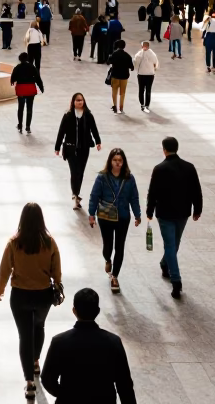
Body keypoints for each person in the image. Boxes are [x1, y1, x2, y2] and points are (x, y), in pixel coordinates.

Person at [0, 203, 62, 398]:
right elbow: (56, 269)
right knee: (39, 327)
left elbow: (5, 269)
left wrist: (0, 289)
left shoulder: (14, 243)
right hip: (43, 295)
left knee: (25, 336)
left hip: (20, 295)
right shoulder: (50, 243)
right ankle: (35, 361)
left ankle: (29, 382)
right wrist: (57, 284)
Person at [146, 137, 203, 299]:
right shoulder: (189, 167)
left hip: (165, 214)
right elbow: (196, 190)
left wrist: (150, 210)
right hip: (183, 213)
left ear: (164, 149)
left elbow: (153, 192)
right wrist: (197, 209)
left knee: (171, 245)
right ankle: (175, 278)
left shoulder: (159, 169)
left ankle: (168, 268)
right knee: (173, 244)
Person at [87, 148, 141, 294]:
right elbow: (94, 196)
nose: (118, 163)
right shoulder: (102, 177)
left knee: (120, 246)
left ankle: (115, 276)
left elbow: (134, 197)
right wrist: (91, 214)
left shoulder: (129, 178)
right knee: (108, 245)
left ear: (124, 162)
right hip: (105, 217)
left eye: (120, 161)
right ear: (110, 161)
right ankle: (107, 259)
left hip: (123, 216)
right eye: (115, 160)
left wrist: (137, 214)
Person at [54, 93, 102, 209]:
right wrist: (57, 147)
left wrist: (98, 141)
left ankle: (76, 193)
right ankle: (75, 194)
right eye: (77, 100)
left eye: (81, 100)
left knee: (80, 172)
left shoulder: (88, 115)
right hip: (70, 148)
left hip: (84, 148)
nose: (80, 102)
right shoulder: (68, 115)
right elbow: (61, 131)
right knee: (74, 172)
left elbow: (94, 128)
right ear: (73, 102)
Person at [10, 51, 44, 133]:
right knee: (29, 108)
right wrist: (41, 87)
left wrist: (13, 81)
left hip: (21, 89)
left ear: (20, 59)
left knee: (20, 108)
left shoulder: (17, 67)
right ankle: (28, 126)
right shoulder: (32, 67)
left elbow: (13, 78)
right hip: (30, 89)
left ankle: (20, 125)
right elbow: (38, 78)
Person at [106, 39, 133, 114]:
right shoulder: (127, 55)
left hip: (115, 75)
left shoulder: (114, 54)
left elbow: (108, 62)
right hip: (124, 76)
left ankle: (115, 106)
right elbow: (132, 67)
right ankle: (121, 107)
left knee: (114, 91)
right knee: (122, 93)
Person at [132, 40, 158, 112]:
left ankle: (142, 104)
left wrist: (136, 69)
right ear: (148, 46)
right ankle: (147, 105)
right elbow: (155, 63)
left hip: (141, 74)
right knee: (148, 90)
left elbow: (135, 63)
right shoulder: (152, 54)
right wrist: (154, 69)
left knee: (141, 90)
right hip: (150, 74)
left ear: (142, 46)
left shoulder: (139, 54)